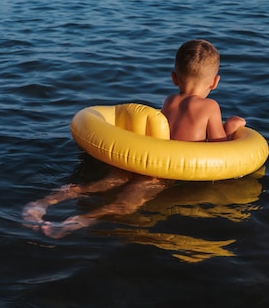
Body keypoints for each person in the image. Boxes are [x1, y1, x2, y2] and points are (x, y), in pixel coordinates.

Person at [22, 39, 245, 238]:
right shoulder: (210, 106)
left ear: (174, 78)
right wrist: (232, 126)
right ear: (215, 82)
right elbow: (219, 148)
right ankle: (76, 222)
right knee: (127, 204)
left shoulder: (170, 100)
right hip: (164, 171)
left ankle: (39, 205)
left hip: (143, 158)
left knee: (93, 186)